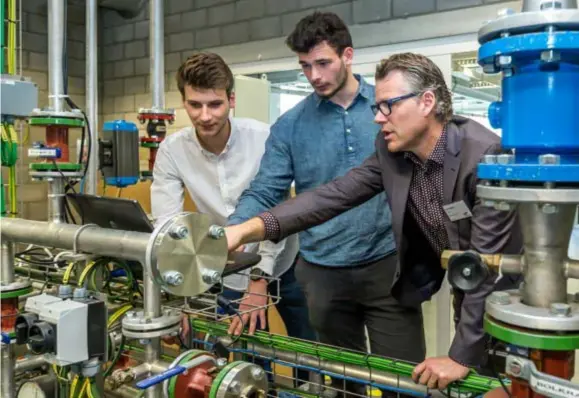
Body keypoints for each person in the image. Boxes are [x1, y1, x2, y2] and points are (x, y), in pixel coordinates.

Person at [224, 52, 523, 391]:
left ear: (427, 102)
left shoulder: (482, 158)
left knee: (500, 376)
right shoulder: (392, 151)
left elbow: (488, 268)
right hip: (466, 283)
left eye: (388, 106)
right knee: (475, 374)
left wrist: (460, 356)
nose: (379, 119)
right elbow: (333, 196)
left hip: (508, 294)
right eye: (376, 107)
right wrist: (247, 228)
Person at [227, 11, 424, 397]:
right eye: (305, 66)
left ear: (347, 55)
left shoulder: (387, 110)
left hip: (388, 267)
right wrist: (229, 230)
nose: (314, 75)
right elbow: (266, 190)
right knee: (345, 384)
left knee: (405, 381)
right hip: (322, 275)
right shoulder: (290, 125)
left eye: (323, 63)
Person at [150, 52, 315, 385]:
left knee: (305, 350)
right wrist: (181, 297)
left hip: (287, 261)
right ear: (184, 102)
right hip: (225, 267)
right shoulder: (172, 150)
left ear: (232, 99)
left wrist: (258, 278)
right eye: (195, 105)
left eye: (215, 104)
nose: (206, 116)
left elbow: (275, 209)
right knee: (249, 352)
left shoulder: (264, 138)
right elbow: (169, 227)